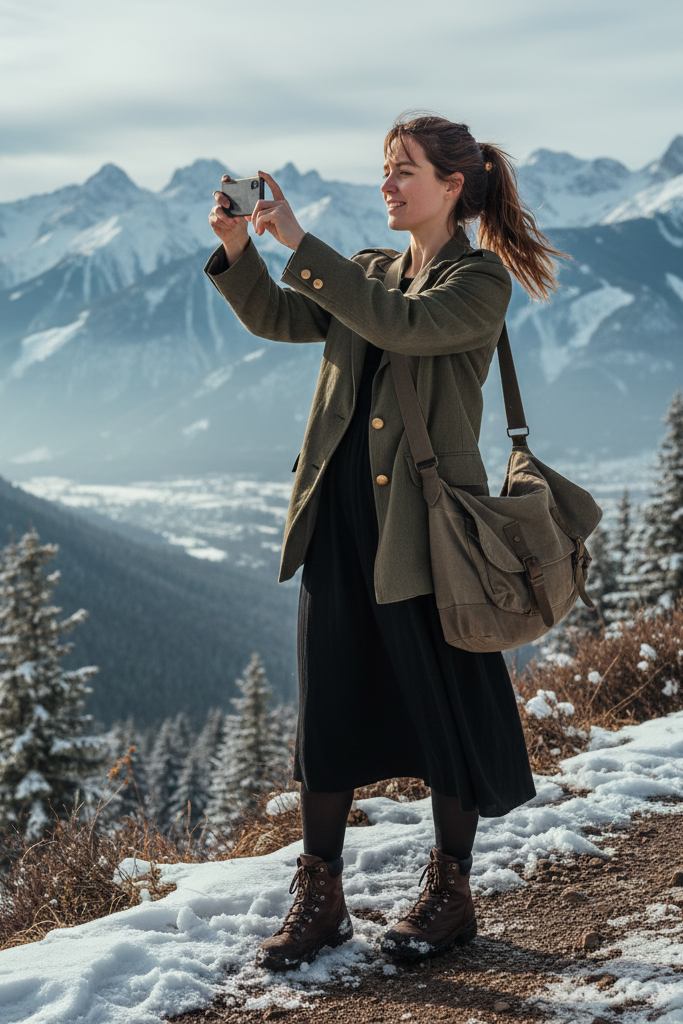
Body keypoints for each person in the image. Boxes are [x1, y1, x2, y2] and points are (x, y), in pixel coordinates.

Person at [205, 113, 565, 970]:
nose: (387, 184)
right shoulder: (365, 270)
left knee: (438, 710)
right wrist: (240, 250)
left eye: (404, 171)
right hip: (339, 520)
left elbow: (398, 327)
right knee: (328, 712)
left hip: (425, 531)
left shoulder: (477, 284)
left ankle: (450, 893)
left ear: (453, 187)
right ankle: (319, 895)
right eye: (384, 168)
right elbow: (281, 320)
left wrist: (297, 236)